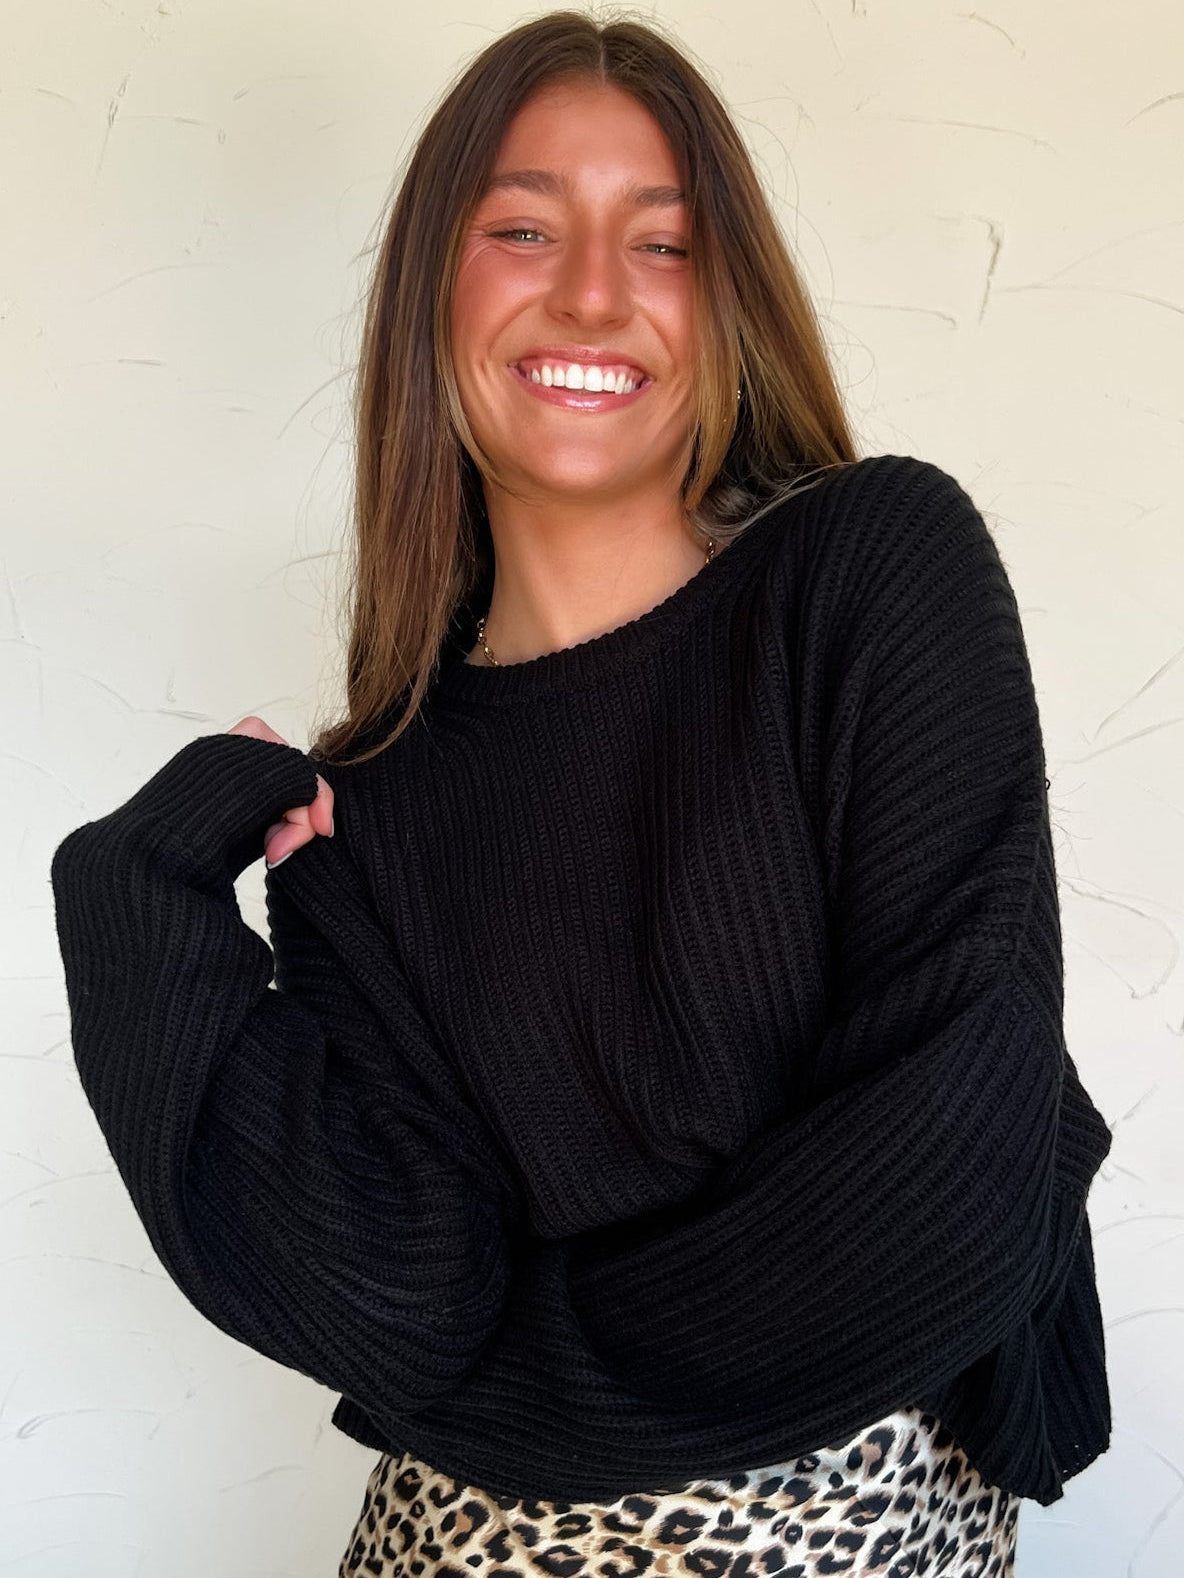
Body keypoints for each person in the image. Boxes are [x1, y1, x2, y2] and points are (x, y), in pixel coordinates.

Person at [49, 11, 1114, 1578]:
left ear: (727, 296)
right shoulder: (375, 800)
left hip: (845, 1540)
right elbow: (392, 1297)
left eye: (665, 242)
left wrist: (517, 1385)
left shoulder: (875, 572)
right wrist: (136, 896)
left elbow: (949, 1170)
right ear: (436, 285)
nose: (595, 292)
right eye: (526, 226)